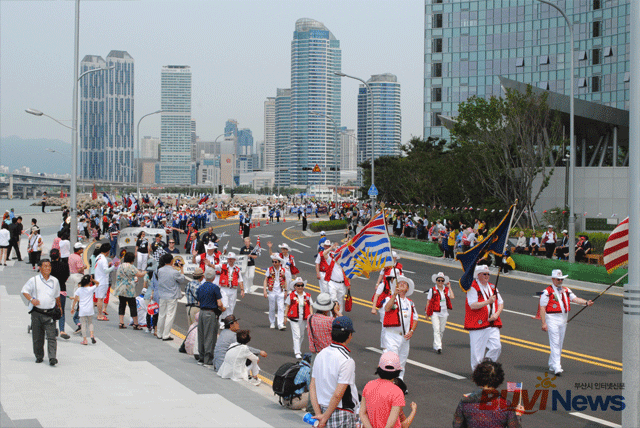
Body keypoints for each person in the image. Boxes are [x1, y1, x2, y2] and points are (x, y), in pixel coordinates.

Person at [540, 269, 594, 376]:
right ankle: (557, 366)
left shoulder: (566, 290)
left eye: (561, 279)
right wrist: (543, 322)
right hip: (552, 318)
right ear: (553, 279)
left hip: (563, 318)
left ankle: (552, 363)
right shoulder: (546, 292)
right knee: (555, 342)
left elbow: (575, 299)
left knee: (559, 343)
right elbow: (542, 307)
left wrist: (586, 302)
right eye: (558, 279)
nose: (560, 281)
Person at [309, 316, 359, 428]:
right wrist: (324, 418)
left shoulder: (320, 354)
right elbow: (337, 394)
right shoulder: (346, 360)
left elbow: (312, 386)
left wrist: (319, 415)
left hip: (321, 410)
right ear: (349, 335)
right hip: (340, 413)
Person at [452, 360, 522, 428]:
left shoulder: (465, 403)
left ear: (477, 379)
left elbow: (457, 425)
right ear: (499, 381)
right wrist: (517, 414)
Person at [21, 259, 61, 365]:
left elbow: (57, 296)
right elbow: (24, 291)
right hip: (37, 313)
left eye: (49, 266)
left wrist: (60, 308)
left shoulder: (55, 281)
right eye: (45, 266)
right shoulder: (34, 280)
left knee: (52, 336)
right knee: (38, 337)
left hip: (50, 313)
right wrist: (31, 299)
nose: (47, 268)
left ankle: (52, 357)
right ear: (40, 267)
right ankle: (39, 356)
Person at [464, 265, 504, 370]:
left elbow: (501, 303)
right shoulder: (472, 287)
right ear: (478, 275)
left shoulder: (492, 287)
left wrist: (497, 314)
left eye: (488, 274)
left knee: (496, 347)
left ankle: (485, 366)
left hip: (492, 322)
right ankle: (477, 372)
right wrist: (488, 302)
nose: (487, 276)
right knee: (477, 351)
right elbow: (472, 305)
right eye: (484, 274)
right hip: (478, 323)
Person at [382, 275, 418, 379]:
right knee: (392, 360)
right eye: (400, 283)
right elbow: (387, 308)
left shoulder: (410, 302)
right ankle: (389, 381)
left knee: (402, 362)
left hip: (405, 337)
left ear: (407, 289)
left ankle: (399, 382)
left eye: (404, 283)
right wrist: (394, 296)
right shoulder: (389, 298)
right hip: (392, 335)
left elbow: (415, 318)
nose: (402, 284)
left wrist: (411, 331)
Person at [359, 351, 405, 428]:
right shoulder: (397, 392)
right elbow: (391, 424)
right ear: (398, 371)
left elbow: (362, 413)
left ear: (379, 367)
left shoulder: (369, 385)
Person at [195, 268, 225, 368]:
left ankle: (201, 356)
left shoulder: (200, 287)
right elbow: (219, 303)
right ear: (213, 277)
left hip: (202, 312)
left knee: (201, 334)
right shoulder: (215, 288)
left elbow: (198, 302)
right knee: (210, 336)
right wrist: (223, 308)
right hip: (210, 313)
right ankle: (208, 359)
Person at [156, 253, 188, 341]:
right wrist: (181, 269)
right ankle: (166, 335)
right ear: (172, 261)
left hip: (162, 295)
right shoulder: (174, 272)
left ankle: (159, 333)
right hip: (172, 295)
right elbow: (181, 279)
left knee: (161, 314)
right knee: (170, 315)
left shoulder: (160, 270)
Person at [115, 251, 147, 330]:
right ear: (132, 259)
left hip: (121, 288)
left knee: (122, 305)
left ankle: (121, 322)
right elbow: (139, 275)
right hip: (129, 289)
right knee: (132, 306)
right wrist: (146, 271)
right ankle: (136, 324)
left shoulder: (120, 266)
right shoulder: (131, 267)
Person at [284, 277, 314, 359]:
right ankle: (297, 352)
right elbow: (287, 306)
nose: (300, 287)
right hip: (294, 319)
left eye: (302, 285)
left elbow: (310, 306)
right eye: (298, 285)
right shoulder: (291, 295)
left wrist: (311, 317)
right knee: (296, 335)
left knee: (301, 335)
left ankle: (297, 348)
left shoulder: (307, 296)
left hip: (303, 318)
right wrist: (285, 317)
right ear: (295, 286)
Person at [426, 272, 454, 354]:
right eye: (439, 280)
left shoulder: (446, 290)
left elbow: (452, 296)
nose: (440, 282)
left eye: (442, 281)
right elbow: (428, 301)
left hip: (444, 312)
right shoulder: (432, 290)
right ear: (436, 281)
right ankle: (438, 346)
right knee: (436, 329)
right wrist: (427, 313)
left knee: (441, 330)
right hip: (435, 312)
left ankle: (436, 344)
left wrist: (449, 287)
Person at [215, 252, 244, 323]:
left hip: (233, 290)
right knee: (224, 306)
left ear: (234, 260)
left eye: (231, 259)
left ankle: (229, 323)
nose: (230, 260)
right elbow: (214, 266)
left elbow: (240, 280)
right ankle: (222, 322)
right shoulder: (222, 266)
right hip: (224, 289)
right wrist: (209, 264)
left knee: (231, 307)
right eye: (229, 259)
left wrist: (242, 290)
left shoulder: (237, 269)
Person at [49, 249, 71, 339]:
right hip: (61, 289)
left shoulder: (48, 266)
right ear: (59, 255)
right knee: (61, 309)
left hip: (50, 291)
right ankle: (62, 330)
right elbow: (67, 276)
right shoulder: (65, 265)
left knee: (51, 310)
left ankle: (53, 328)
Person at [70, 275, 98, 345]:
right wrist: (93, 280)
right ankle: (92, 335)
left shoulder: (79, 289)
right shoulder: (91, 289)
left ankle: (85, 340)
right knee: (90, 322)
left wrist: (73, 308)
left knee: (83, 324)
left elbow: (75, 300)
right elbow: (98, 283)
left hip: (82, 309)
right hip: (90, 308)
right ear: (89, 282)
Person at [323, 242, 350, 312]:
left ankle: (339, 317)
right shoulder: (331, 261)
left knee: (340, 300)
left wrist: (349, 284)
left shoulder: (345, 263)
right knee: (333, 300)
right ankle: (333, 316)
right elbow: (324, 254)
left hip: (342, 284)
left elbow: (348, 273)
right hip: (332, 283)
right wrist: (331, 247)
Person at [264, 254, 287, 330]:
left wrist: (286, 291)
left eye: (275, 262)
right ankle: (272, 322)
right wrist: (264, 290)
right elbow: (266, 279)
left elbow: (285, 280)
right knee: (272, 307)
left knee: (281, 308)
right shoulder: (269, 269)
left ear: (279, 262)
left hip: (280, 291)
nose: (274, 263)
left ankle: (280, 323)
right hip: (272, 291)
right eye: (273, 262)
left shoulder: (283, 270)